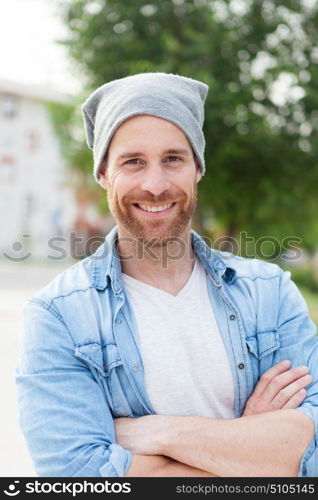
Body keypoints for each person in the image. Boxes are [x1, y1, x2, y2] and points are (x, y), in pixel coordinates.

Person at [16, 73, 318, 477]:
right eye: (133, 161)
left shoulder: (270, 294)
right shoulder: (58, 317)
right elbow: (77, 477)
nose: (155, 185)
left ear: (198, 168)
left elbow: (311, 456)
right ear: (104, 173)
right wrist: (251, 445)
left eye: (173, 158)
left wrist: (161, 435)